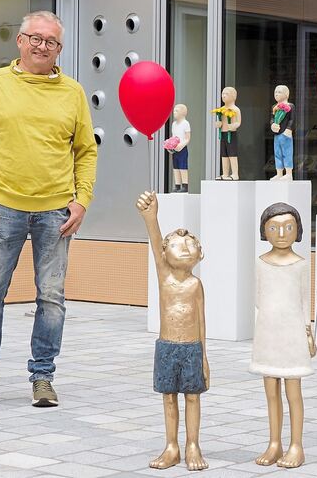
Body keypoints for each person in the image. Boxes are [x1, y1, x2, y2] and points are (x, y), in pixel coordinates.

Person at [0, 10, 97, 409]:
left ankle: (43, 377)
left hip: (56, 212)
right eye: (35, 38)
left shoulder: (72, 92)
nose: (42, 46)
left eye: (50, 42)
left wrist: (81, 199)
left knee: (51, 298)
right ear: (19, 40)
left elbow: (86, 150)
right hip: (2, 208)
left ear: (59, 50)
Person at [136, 191, 209, 471]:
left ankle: (193, 444)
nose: (186, 247)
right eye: (178, 244)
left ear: (200, 254)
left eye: (191, 243)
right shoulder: (164, 276)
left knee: (193, 396)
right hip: (167, 345)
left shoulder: (196, 285)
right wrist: (150, 217)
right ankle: (171, 446)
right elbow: (155, 242)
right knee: (169, 398)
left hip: (191, 346)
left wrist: (204, 357)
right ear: (166, 253)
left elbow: (202, 322)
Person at [250, 203, 316, 468]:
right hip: (267, 331)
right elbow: (258, 299)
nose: (281, 234)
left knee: (293, 391)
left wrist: (308, 332)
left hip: (292, 333)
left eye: (288, 227)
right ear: (264, 231)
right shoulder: (260, 262)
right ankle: (274, 442)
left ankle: (296, 445)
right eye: (274, 228)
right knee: (270, 392)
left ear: (297, 231)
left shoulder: (300, 264)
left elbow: (304, 302)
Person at [214, 86, 241, 180]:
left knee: (232, 154)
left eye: (226, 94)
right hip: (223, 133)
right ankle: (225, 173)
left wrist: (234, 125)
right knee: (224, 154)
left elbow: (238, 122)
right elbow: (220, 121)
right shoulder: (221, 109)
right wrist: (219, 124)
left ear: (233, 96)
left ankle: (235, 173)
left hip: (231, 134)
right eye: (223, 94)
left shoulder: (235, 109)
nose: (224, 96)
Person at [270, 85, 295, 181]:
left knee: (287, 152)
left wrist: (289, 129)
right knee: (277, 153)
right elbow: (272, 119)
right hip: (277, 134)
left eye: (279, 92)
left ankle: (289, 173)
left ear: (286, 94)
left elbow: (292, 120)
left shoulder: (290, 106)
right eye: (275, 92)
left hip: (286, 134)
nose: (276, 94)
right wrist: (272, 125)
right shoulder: (274, 107)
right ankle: (279, 173)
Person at [170, 103, 191, 193]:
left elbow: (187, 138)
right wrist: (170, 145)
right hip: (175, 149)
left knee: (183, 167)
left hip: (182, 148)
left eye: (176, 111)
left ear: (183, 113)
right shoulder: (174, 124)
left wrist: (181, 145)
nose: (174, 112)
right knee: (175, 167)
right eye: (174, 110)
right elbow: (173, 136)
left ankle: (185, 185)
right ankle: (177, 185)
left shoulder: (185, 123)